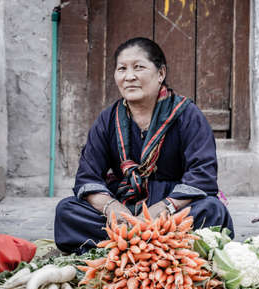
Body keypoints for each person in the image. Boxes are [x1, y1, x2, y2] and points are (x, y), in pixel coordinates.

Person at [54, 37, 234, 254]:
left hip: (173, 208)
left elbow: (202, 175)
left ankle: (125, 245)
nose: (129, 77)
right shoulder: (108, 119)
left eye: (138, 67)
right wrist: (112, 208)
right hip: (124, 208)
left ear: (161, 74)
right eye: (122, 69)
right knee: (67, 211)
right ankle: (157, 245)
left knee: (212, 211)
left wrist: (165, 207)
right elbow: (88, 176)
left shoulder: (187, 115)